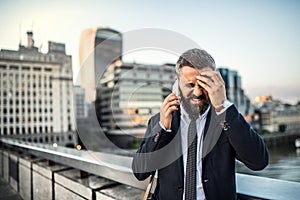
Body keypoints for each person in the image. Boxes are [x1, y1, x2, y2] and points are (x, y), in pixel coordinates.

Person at [132, 48, 269, 200]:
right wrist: (163, 128)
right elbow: (140, 172)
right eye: (190, 85)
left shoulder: (226, 119)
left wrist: (223, 108)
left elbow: (259, 162)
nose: (197, 93)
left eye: (203, 84)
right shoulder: (161, 120)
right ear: (177, 84)